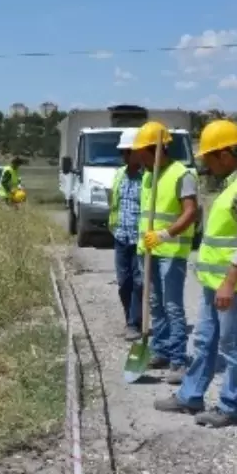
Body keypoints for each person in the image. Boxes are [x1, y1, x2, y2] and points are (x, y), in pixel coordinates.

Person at [155, 119, 237, 427]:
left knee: (233, 346)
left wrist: (231, 282)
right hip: (218, 283)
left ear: (225, 154)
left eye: (209, 158)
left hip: (233, 286)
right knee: (204, 340)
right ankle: (190, 395)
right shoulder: (232, 185)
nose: (206, 166)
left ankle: (230, 406)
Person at [133, 121, 199, 385]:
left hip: (171, 250)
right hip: (147, 249)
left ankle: (178, 360)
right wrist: (148, 240)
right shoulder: (149, 174)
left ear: (157, 149)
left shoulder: (182, 174)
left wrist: (164, 234)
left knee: (172, 306)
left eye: (142, 151)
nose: (138, 156)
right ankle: (159, 351)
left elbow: (190, 212)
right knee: (154, 304)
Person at [109, 128, 144, 341]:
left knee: (140, 282)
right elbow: (114, 202)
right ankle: (130, 318)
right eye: (123, 152)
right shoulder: (119, 174)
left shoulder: (148, 177)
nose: (124, 156)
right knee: (124, 282)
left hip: (140, 239)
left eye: (127, 151)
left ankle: (134, 323)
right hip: (121, 236)